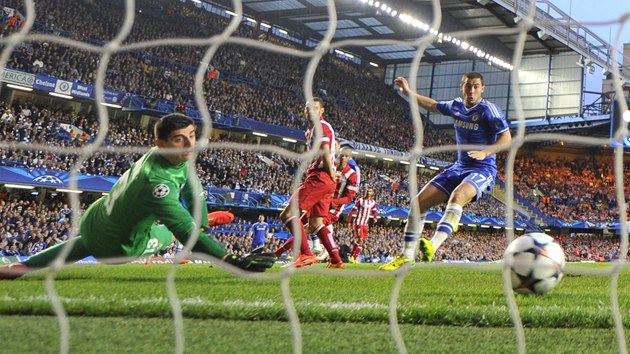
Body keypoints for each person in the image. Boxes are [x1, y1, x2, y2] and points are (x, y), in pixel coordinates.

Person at [0, 114, 275, 279]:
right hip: (118, 249)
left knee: (93, 240)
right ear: (161, 143)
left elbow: (192, 185)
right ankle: (204, 224)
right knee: (166, 234)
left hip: (94, 222)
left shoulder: (170, 154)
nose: (191, 144)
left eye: (193, 135)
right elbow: (185, 236)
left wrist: (200, 221)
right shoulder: (157, 184)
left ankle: (24, 265)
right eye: (181, 139)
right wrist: (231, 262)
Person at [380, 72, 512, 270]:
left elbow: (507, 138)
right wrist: (408, 92)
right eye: (468, 86)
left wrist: (486, 152)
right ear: (462, 87)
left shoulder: (489, 110)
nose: (472, 90)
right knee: (418, 204)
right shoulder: (456, 106)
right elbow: (432, 105)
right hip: (459, 167)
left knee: (458, 196)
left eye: (476, 86)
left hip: (483, 169)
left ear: (482, 89)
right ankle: (406, 256)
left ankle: (432, 246)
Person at [274, 98, 338, 268]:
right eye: (308, 108)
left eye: (315, 108)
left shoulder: (321, 126)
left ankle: (305, 254)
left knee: (287, 215)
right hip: (322, 178)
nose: (310, 111)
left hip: (320, 177)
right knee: (316, 224)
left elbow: (325, 150)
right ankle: (336, 259)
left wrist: (331, 172)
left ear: (321, 111)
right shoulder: (310, 130)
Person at [346, 187, 378, 264]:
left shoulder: (373, 202)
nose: (368, 192)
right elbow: (352, 211)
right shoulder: (360, 201)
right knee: (360, 240)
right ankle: (354, 258)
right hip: (358, 223)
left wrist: (375, 217)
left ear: (372, 193)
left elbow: (374, 211)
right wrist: (348, 222)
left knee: (361, 241)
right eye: (367, 190)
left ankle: (351, 256)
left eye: (370, 191)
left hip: (365, 225)